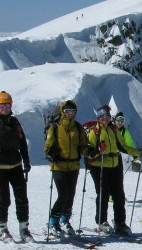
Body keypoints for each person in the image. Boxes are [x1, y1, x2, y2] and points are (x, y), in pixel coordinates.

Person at [0, 91, 34, 243]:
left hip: (16, 164)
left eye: (7, 105)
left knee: (22, 198)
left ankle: (24, 228)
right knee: (4, 198)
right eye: (1, 105)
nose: (4, 108)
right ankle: (2, 228)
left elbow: (22, 142)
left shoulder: (14, 122)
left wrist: (26, 160)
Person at [86, 105, 134, 235]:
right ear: (99, 118)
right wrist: (97, 151)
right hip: (99, 166)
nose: (105, 119)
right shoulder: (94, 131)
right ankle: (102, 222)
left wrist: (137, 152)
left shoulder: (114, 130)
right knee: (103, 194)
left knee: (119, 195)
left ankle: (120, 223)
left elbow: (123, 146)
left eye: (106, 116)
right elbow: (89, 152)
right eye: (102, 117)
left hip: (115, 165)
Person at [44, 100, 88, 236]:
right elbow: (48, 146)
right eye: (68, 111)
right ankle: (53, 221)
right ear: (63, 112)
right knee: (63, 195)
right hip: (59, 166)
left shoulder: (78, 128)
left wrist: (91, 151)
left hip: (74, 166)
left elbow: (83, 146)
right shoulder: (55, 127)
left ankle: (65, 219)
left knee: (70, 195)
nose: (70, 114)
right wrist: (51, 153)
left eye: (73, 112)